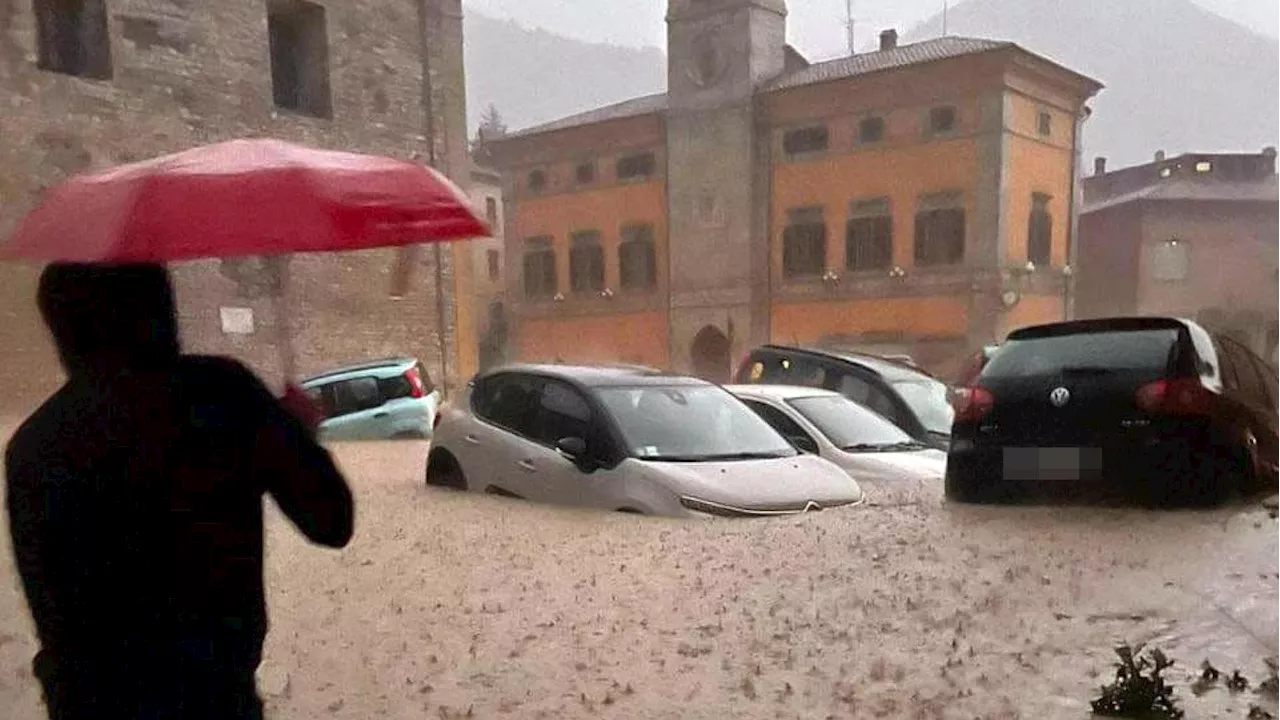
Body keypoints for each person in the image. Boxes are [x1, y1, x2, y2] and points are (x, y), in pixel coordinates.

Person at [5, 263, 355, 720]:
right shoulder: (223, 394)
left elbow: (49, 611)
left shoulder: (33, 446)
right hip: (214, 699)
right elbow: (331, 521)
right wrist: (298, 436)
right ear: (161, 308)